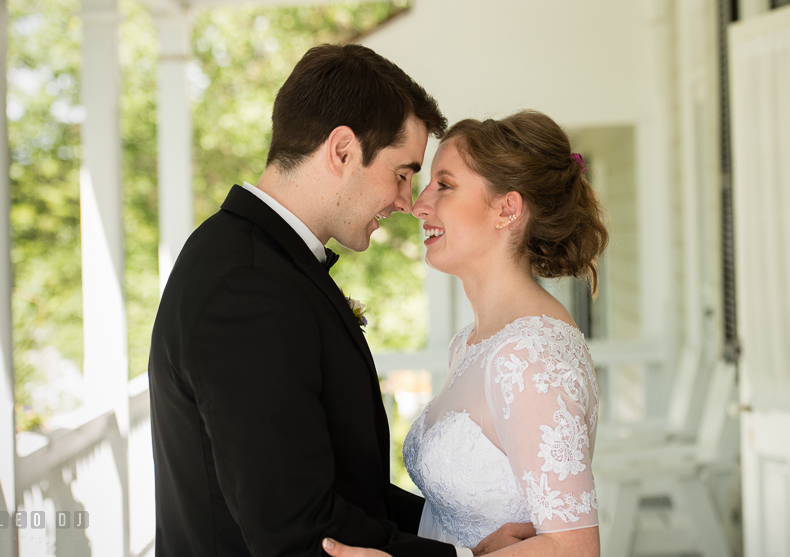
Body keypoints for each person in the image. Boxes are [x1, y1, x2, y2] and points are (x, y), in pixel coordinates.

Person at [148, 44, 526, 557]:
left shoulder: (260, 259)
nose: (408, 201)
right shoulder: (246, 286)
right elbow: (297, 530)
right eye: (401, 172)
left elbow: (342, 489)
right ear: (342, 149)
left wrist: (465, 537)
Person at [323, 111, 608, 557]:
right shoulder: (472, 343)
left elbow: (573, 548)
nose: (419, 204)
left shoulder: (530, 356)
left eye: (445, 185)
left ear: (507, 209)